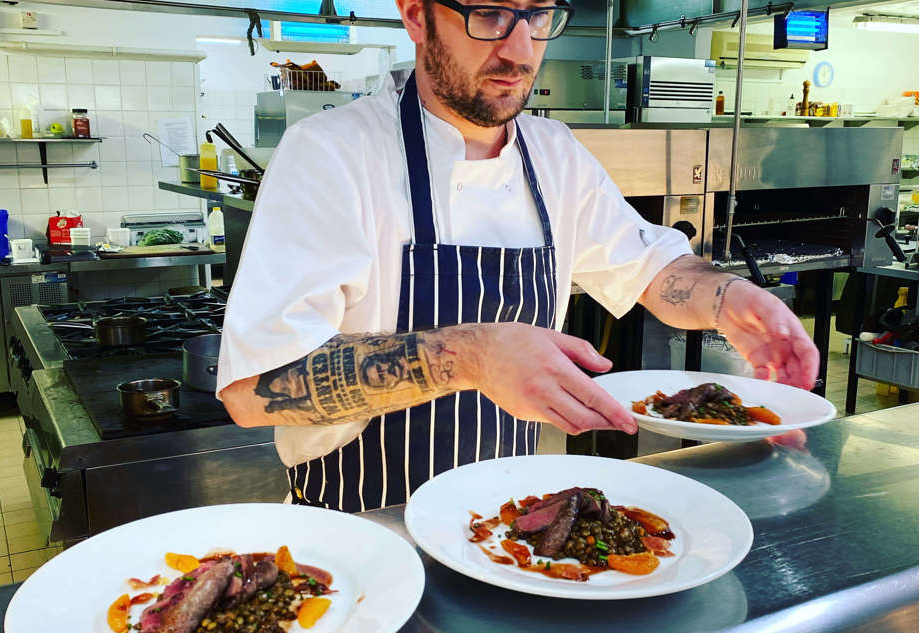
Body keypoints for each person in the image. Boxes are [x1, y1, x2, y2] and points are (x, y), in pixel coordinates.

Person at [217, 0, 819, 512]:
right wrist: (468, 357)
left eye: (537, 16)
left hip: (507, 527)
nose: (520, 50)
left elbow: (652, 266)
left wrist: (727, 298)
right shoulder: (332, 153)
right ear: (415, 16)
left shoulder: (553, 153)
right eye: (490, 15)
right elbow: (251, 390)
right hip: (365, 526)